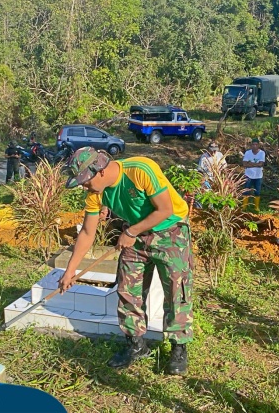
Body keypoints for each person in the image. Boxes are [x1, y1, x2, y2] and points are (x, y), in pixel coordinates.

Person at [58, 147, 193, 375]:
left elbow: (165, 209)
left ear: (99, 171)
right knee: (128, 287)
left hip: (171, 230)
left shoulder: (140, 170)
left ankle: (178, 347)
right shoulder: (95, 193)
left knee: (175, 289)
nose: (84, 186)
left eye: (84, 181)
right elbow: (87, 233)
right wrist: (69, 271)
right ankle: (136, 345)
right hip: (136, 234)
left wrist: (130, 233)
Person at [242, 138, 266, 211]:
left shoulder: (262, 153)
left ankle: (256, 207)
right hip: (248, 175)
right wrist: (256, 164)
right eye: (253, 144)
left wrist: (250, 164)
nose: (254, 146)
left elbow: (261, 164)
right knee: (246, 191)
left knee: (257, 192)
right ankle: (244, 206)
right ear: (251, 145)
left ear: (258, 145)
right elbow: (244, 164)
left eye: (256, 144)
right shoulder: (247, 153)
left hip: (258, 176)